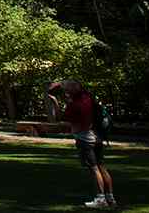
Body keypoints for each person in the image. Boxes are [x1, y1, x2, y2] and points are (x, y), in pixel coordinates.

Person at [47, 80, 117, 208]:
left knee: (94, 169)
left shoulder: (74, 106)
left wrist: (54, 101)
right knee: (102, 166)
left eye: (67, 90)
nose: (65, 92)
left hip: (85, 139)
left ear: (71, 92)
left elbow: (59, 117)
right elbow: (68, 85)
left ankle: (100, 199)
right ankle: (110, 198)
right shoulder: (87, 98)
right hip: (97, 137)